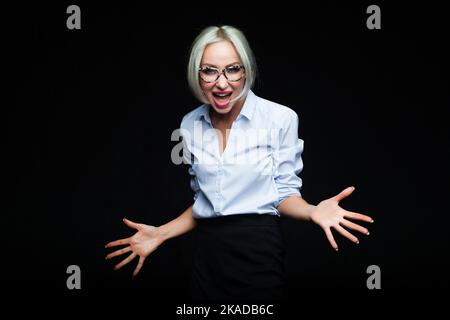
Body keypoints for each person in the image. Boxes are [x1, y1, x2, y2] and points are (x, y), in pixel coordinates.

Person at [105, 25, 374, 300]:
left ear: (245, 70)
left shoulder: (280, 118)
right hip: (206, 256)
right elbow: (206, 202)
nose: (222, 83)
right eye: (209, 70)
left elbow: (283, 194)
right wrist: (160, 233)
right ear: (197, 75)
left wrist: (313, 210)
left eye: (232, 69)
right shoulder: (189, 123)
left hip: (257, 251)